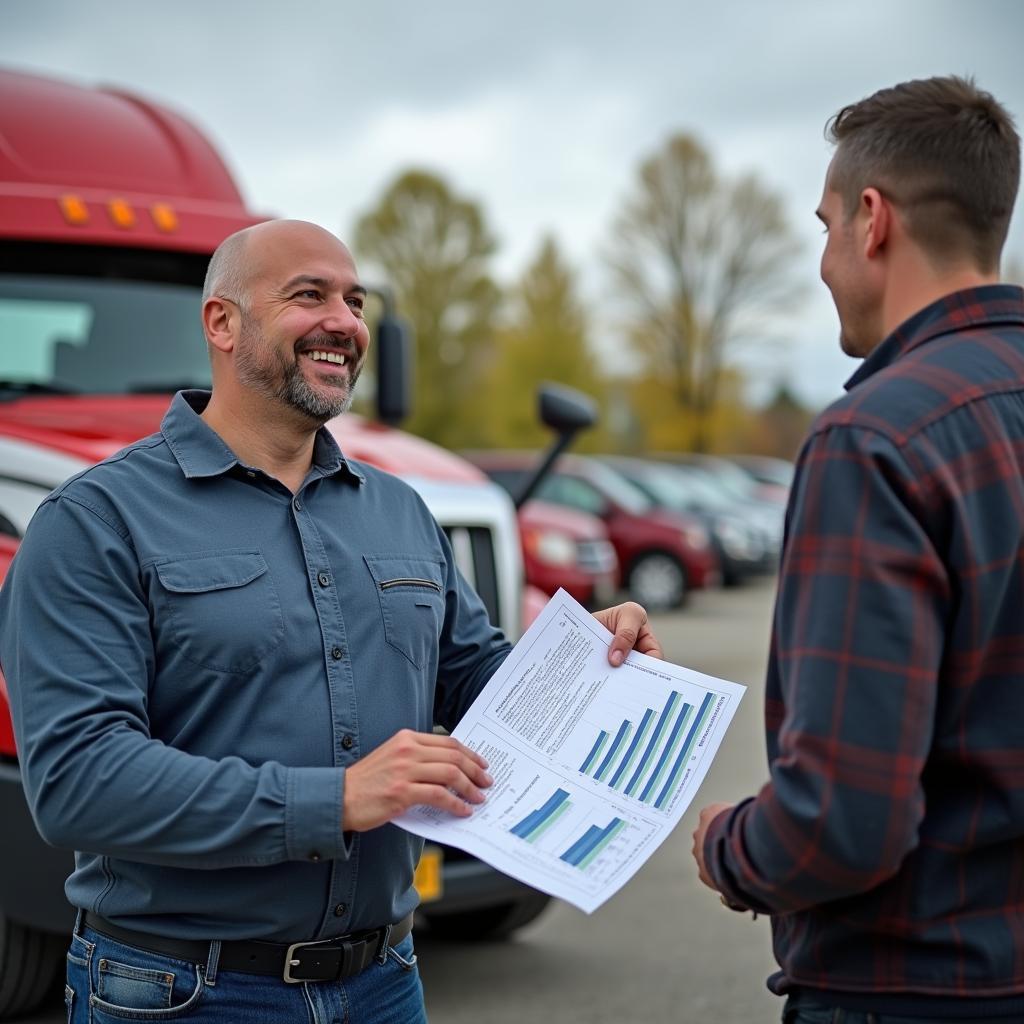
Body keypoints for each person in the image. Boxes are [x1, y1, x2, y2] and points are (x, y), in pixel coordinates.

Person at [0, 218, 661, 1023]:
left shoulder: (401, 510)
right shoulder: (95, 520)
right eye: (308, 295)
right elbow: (78, 782)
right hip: (182, 994)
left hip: (385, 982)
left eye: (354, 301)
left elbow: (473, 678)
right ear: (222, 323)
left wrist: (586, 660)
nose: (345, 323)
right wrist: (335, 799)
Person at [692, 75, 1024, 1023]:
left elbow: (843, 825)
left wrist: (729, 845)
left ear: (872, 222)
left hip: (915, 985)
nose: (826, 260)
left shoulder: (875, 438)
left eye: (824, 225)